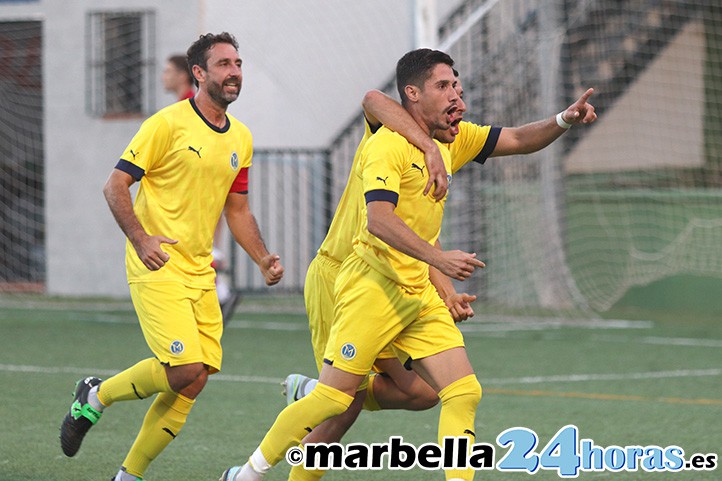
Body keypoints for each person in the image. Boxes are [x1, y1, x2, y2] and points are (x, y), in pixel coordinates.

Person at [279, 74, 596, 481]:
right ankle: (258, 467)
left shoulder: (455, 139)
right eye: (445, 86)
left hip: (402, 277)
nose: (456, 96)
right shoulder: (388, 133)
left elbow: (517, 139)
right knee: (342, 406)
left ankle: (315, 393)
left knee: (429, 392)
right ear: (413, 92)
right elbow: (373, 99)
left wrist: (564, 120)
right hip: (345, 276)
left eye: (458, 89)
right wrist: (428, 147)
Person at [59, 32, 284, 481]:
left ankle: (128, 476)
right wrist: (142, 240)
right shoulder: (166, 124)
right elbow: (115, 185)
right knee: (184, 369)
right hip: (156, 263)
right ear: (199, 73)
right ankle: (97, 395)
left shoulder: (241, 136)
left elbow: (236, 208)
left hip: (199, 270)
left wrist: (261, 257)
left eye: (237, 62)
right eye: (223, 64)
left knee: (194, 381)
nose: (234, 71)